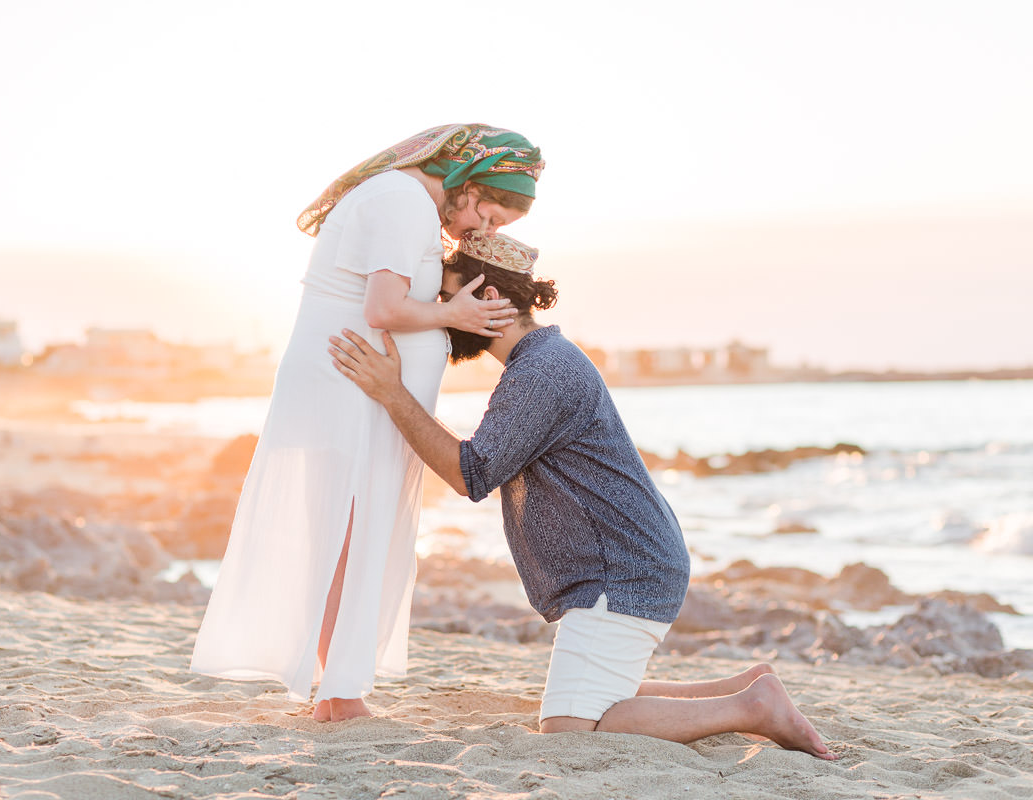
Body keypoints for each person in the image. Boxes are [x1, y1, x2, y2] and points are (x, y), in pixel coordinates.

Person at [327, 232, 839, 759]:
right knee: (597, 701)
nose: (440, 314)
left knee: (570, 729)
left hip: (621, 574)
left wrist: (391, 392)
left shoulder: (541, 370)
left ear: (489, 298)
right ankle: (742, 689)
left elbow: (471, 474)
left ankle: (753, 709)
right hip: (632, 565)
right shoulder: (541, 359)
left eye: (449, 298)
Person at [190, 125, 545, 723]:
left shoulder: (406, 202)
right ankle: (341, 694)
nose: (486, 227)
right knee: (353, 527)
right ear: (467, 181)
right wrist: (455, 311)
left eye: (501, 223)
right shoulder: (402, 202)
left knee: (352, 528)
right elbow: (383, 309)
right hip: (349, 388)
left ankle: (337, 688)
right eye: (490, 210)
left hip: (356, 387)